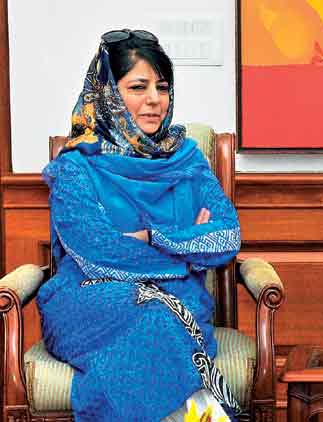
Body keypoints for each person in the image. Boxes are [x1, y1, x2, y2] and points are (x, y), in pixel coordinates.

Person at [39, 29, 241, 421]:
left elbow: (227, 236)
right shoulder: (75, 168)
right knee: (158, 320)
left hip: (177, 305)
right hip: (89, 305)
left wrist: (151, 237)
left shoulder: (188, 160)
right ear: (108, 95)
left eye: (162, 87)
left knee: (159, 321)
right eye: (138, 87)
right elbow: (98, 254)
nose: (154, 100)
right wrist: (188, 252)